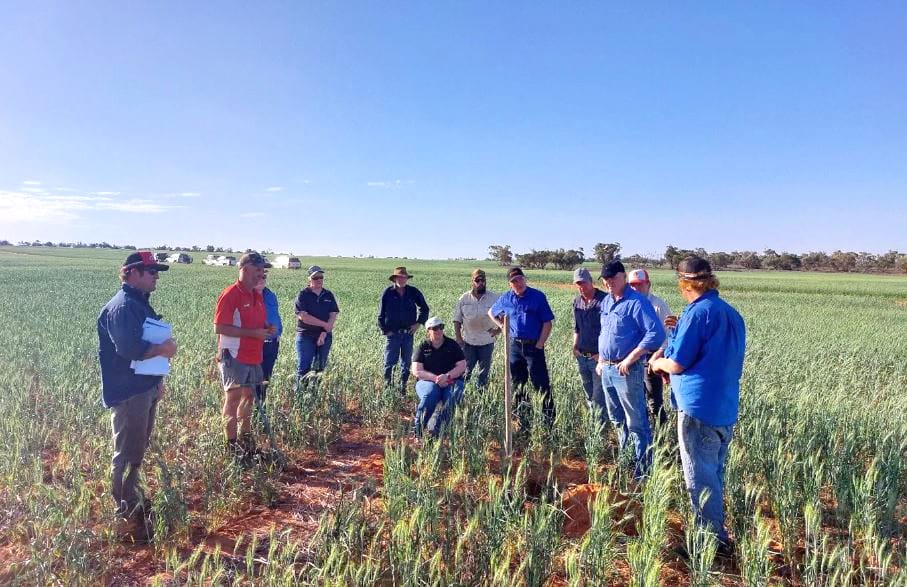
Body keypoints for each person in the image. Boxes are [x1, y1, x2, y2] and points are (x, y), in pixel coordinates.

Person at [650, 257, 745, 552]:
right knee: (714, 473)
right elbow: (709, 355)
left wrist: (656, 364)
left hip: (698, 409)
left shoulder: (697, 313)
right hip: (724, 407)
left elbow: (677, 363)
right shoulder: (729, 312)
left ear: (684, 283)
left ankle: (708, 544)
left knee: (699, 477)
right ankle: (717, 536)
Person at [97, 251, 177, 534]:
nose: (156, 276)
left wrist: (157, 382)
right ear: (130, 272)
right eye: (150, 271)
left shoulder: (138, 304)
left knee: (137, 448)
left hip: (144, 388)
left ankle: (133, 502)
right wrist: (163, 350)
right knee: (127, 452)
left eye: (156, 272)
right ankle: (127, 516)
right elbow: (129, 349)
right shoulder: (122, 307)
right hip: (129, 392)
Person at [595, 260, 665, 480]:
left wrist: (631, 358)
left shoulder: (637, 302)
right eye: (605, 280)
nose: (609, 283)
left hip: (626, 370)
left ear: (623, 277)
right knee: (617, 419)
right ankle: (627, 462)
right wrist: (601, 360)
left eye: (613, 279)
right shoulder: (606, 302)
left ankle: (643, 472)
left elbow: (656, 334)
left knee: (636, 422)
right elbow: (605, 333)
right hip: (606, 369)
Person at [213, 252, 276, 461]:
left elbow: (256, 322)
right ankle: (231, 449)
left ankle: (246, 443)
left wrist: (266, 327)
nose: (261, 273)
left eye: (263, 270)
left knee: (249, 398)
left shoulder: (256, 295)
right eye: (258, 269)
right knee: (233, 399)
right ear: (245, 268)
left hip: (253, 355)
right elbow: (220, 327)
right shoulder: (231, 294)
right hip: (234, 355)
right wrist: (254, 334)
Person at [488, 267, 556, 428]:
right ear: (510, 284)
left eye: (519, 279)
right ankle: (524, 423)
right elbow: (491, 312)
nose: (517, 283)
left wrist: (540, 344)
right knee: (519, 385)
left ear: (524, 279)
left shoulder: (537, 297)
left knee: (541, 384)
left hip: (534, 347)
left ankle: (549, 424)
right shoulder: (506, 298)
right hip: (515, 347)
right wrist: (502, 327)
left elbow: (547, 323)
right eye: (513, 281)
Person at [627, 268, 677, 428]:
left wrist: (658, 355)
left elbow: (669, 335)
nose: (635, 288)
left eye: (639, 285)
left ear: (648, 285)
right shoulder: (629, 305)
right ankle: (644, 432)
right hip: (632, 358)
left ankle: (661, 436)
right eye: (632, 285)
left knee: (654, 399)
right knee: (636, 398)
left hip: (651, 359)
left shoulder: (658, 305)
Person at [411, 316, 467, 437]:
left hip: (451, 380)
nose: (439, 330)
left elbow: (462, 366)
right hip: (427, 381)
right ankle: (418, 430)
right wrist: (435, 378)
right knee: (430, 394)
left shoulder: (452, 345)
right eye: (435, 328)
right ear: (428, 331)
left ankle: (438, 430)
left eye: (441, 327)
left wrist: (447, 376)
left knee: (454, 395)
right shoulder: (422, 346)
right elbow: (416, 370)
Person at [378, 267, 429, 394]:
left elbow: (425, 308)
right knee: (389, 362)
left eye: (404, 277)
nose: (402, 279)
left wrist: (418, 324)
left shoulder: (413, 292)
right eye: (399, 277)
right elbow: (381, 314)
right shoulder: (388, 292)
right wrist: (385, 330)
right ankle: (387, 388)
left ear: (407, 279)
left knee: (406, 362)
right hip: (392, 334)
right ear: (395, 278)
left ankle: (403, 388)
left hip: (408, 334)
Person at [452, 269, 500, 389]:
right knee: (466, 371)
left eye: (483, 280)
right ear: (472, 281)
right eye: (477, 280)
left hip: (487, 343)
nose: (480, 283)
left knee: (483, 373)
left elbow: (503, 318)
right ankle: (460, 395)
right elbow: (457, 320)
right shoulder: (464, 299)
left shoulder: (494, 298)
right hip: (469, 343)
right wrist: (458, 338)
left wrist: (498, 330)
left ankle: (481, 395)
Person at [571, 267, 607, 425]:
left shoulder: (605, 300)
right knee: (588, 394)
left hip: (598, 358)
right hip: (582, 357)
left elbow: (610, 330)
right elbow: (577, 328)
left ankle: (600, 428)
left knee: (598, 396)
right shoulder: (577, 302)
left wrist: (602, 355)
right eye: (578, 284)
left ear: (591, 281)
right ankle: (594, 426)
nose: (581, 286)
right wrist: (574, 347)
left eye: (583, 283)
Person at [294, 265, 340, 380]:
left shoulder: (328, 294)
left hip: (324, 337)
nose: (319, 280)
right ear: (309, 279)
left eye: (321, 277)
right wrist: (325, 325)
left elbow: (333, 314)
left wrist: (324, 332)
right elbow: (304, 317)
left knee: (319, 370)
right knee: (303, 369)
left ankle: (314, 395)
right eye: (315, 278)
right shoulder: (303, 295)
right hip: (306, 336)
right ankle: (301, 396)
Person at [253, 273, 282, 434]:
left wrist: (277, 334)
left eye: (264, 276)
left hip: (272, 344)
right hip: (256, 345)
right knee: (253, 382)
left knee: (265, 380)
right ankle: (252, 419)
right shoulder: (248, 296)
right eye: (258, 276)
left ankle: (260, 415)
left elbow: (275, 317)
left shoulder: (270, 295)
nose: (262, 279)